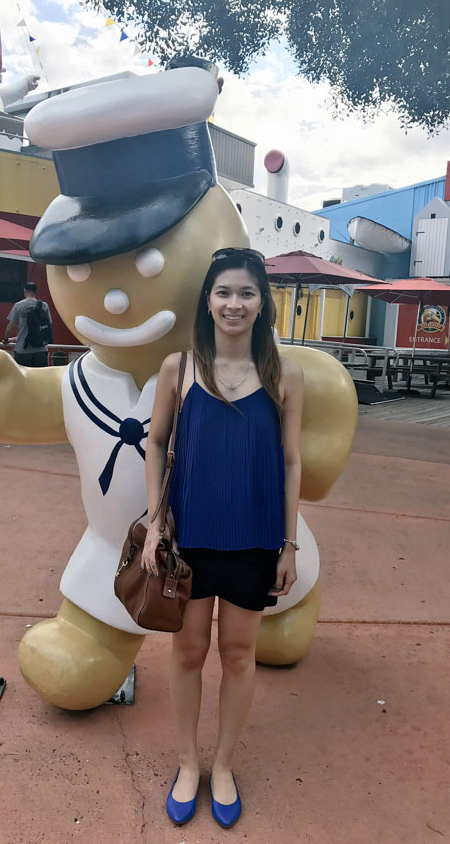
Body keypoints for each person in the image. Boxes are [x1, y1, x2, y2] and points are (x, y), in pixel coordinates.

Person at [143, 247, 304, 828]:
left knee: (238, 655)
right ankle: (189, 764)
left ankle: (226, 764)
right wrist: (156, 523)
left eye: (246, 293)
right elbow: (156, 442)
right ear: (207, 301)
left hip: (256, 541)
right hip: (189, 540)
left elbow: (290, 462)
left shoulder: (283, 374)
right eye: (224, 293)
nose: (234, 304)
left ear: (262, 304)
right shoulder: (178, 369)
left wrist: (289, 545)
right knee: (188, 652)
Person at [2, 282, 53, 367]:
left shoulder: (19, 305)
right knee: (39, 378)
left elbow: (10, 327)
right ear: (36, 291)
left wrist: (6, 338)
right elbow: (49, 326)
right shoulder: (44, 305)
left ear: (24, 291)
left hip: (23, 350)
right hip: (41, 350)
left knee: (22, 378)